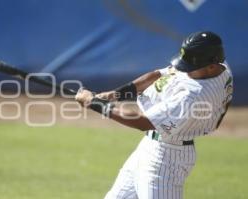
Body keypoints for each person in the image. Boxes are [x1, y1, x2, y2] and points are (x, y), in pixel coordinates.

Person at [75, 31, 233, 199]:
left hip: (167, 159)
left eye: (191, 67)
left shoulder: (194, 96)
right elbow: (160, 74)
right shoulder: (218, 66)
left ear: (211, 66)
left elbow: (143, 122)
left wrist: (94, 104)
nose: (185, 70)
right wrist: (114, 95)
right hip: (149, 147)